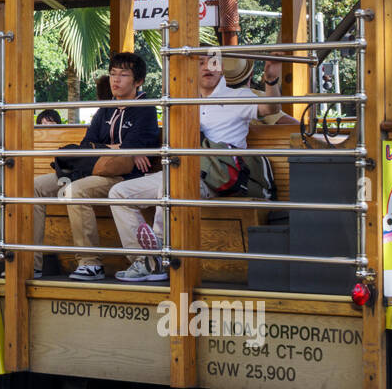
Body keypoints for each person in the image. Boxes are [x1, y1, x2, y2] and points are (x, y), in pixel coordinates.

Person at [109, 53, 282, 281]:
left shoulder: (237, 96)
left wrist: (270, 81)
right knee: (119, 193)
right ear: (192, 70)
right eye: (200, 62)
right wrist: (141, 151)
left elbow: (271, 109)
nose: (207, 67)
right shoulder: (180, 100)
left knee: (169, 188)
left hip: (215, 176)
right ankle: (145, 260)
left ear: (221, 68)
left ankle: (159, 255)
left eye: (213, 61)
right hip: (177, 170)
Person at [33, 51, 159, 281]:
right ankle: (31, 262)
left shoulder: (146, 108)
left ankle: (90, 263)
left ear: (138, 81)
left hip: (123, 176)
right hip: (88, 170)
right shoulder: (105, 109)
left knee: (75, 191)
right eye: (112, 74)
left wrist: (112, 149)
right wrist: (115, 148)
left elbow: (130, 154)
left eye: (123, 75)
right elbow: (86, 145)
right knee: (36, 187)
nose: (115, 80)